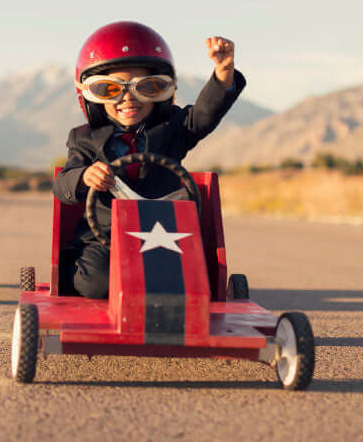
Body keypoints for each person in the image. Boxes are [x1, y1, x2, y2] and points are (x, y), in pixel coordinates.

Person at [53, 21, 245, 299]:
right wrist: (84, 176)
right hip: (104, 239)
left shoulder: (173, 128)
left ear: (163, 90)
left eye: (147, 87)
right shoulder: (84, 138)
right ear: (91, 95)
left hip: (166, 235)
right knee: (94, 283)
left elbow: (205, 114)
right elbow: (62, 184)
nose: (128, 99)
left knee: (188, 282)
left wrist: (223, 72)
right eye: (110, 90)